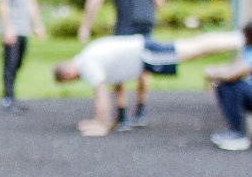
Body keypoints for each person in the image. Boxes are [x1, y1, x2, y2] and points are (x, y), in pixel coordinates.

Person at [53, 31, 242, 137]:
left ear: (67, 73)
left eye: (68, 80)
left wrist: (102, 126)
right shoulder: (85, 57)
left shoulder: (86, 64)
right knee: (191, 49)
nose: (73, 81)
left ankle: (240, 40)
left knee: (193, 49)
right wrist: (97, 121)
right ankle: (239, 39)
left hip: (144, 53)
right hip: (141, 48)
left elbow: (101, 94)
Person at [78, 0, 166, 130]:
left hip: (127, 22)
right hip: (146, 21)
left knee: (117, 62)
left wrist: (85, 26)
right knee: (144, 63)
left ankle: (124, 116)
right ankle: (140, 112)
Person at [202, 21, 252, 151]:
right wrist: (217, 74)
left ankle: (238, 134)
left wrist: (211, 73)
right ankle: (234, 130)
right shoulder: (251, 49)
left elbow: (232, 75)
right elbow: (233, 67)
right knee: (224, 85)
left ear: (248, 35)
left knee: (233, 85)